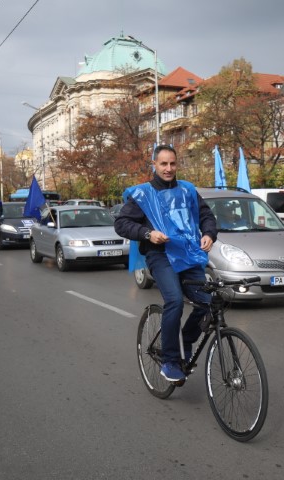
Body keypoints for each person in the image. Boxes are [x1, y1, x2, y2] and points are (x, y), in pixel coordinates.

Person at [114, 145, 217, 382]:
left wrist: (209, 233)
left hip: (188, 254)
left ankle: (185, 341)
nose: (168, 168)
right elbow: (122, 224)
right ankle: (170, 360)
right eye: (163, 164)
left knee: (208, 304)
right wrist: (147, 233)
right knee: (175, 301)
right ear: (154, 164)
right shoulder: (142, 194)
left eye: (172, 163)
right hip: (159, 255)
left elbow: (206, 216)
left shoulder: (188, 190)